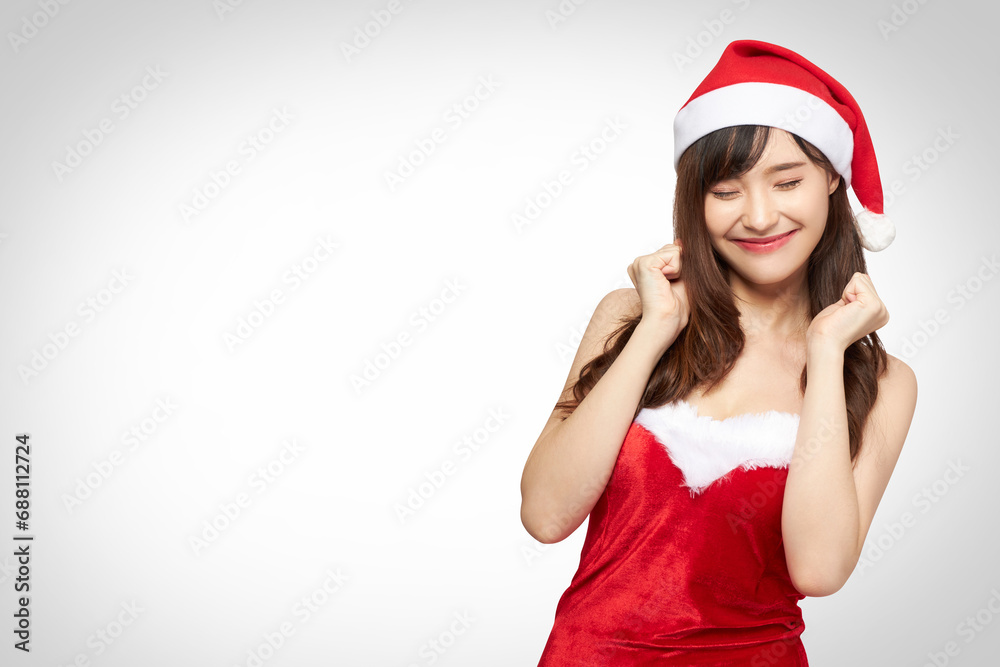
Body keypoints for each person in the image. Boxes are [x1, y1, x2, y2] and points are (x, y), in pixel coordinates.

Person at [520, 40, 918, 666]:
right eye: (726, 192)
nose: (760, 217)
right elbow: (546, 513)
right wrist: (654, 330)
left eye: (787, 181)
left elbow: (817, 568)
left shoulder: (878, 378)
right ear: (693, 200)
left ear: (832, 178)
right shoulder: (627, 318)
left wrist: (825, 353)